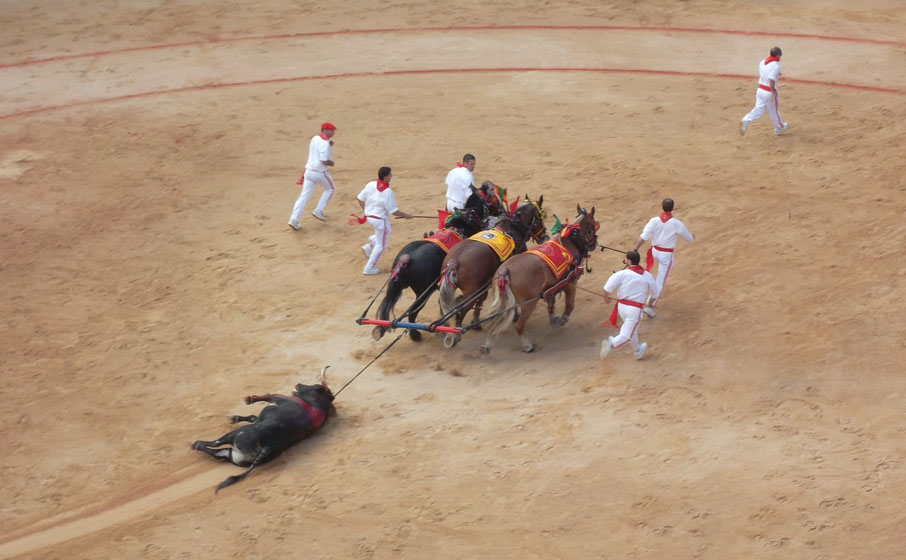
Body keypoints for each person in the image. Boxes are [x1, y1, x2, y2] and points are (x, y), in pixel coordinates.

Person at [632, 198, 694, 317]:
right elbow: (689, 238)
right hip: (666, 255)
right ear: (672, 208)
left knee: (669, 267)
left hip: (655, 252)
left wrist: (635, 249)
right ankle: (650, 306)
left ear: (662, 207)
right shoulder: (676, 223)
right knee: (660, 280)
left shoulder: (654, 221)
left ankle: (655, 292)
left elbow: (644, 237)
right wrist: (692, 236)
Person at [600, 250, 659, 361]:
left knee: (631, 330)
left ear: (629, 261)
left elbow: (607, 288)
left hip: (622, 308)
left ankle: (638, 350)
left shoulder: (621, 274)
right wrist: (649, 305)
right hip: (634, 310)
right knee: (627, 335)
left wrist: (606, 298)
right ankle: (611, 343)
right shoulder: (647, 276)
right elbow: (655, 294)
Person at [356, 167, 413, 275]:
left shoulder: (370, 184)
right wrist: (407, 216)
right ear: (385, 177)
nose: (392, 176)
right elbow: (394, 211)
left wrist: (365, 210)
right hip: (380, 221)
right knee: (381, 246)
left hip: (370, 218)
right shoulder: (387, 192)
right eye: (390, 175)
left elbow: (360, 198)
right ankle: (369, 268)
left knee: (384, 234)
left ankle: (370, 245)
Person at [288, 122, 337, 230]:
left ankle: (293, 219)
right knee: (330, 189)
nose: (332, 133)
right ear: (324, 130)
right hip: (319, 173)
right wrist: (331, 163)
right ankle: (318, 210)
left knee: (303, 196)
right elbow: (323, 160)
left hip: (308, 172)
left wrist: (329, 143)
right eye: (330, 131)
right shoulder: (324, 143)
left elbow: (320, 145)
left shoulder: (315, 138)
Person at [739, 47, 788, 136]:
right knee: (774, 110)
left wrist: (778, 72)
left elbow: (767, 72)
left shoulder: (762, 62)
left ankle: (746, 119)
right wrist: (773, 90)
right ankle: (780, 127)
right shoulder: (776, 65)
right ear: (777, 55)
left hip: (760, 90)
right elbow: (771, 79)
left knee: (759, 108)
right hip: (769, 92)